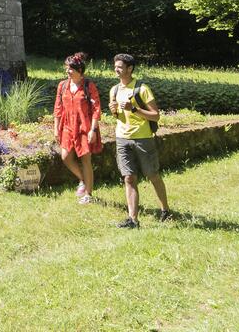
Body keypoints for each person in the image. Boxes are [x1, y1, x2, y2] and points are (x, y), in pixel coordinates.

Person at [109, 53, 170, 228]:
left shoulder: (142, 89)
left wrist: (134, 109)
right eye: (115, 66)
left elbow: (156, 116)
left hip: (143, 139)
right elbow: (119, 116)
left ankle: (165, 209)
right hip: (122, 138)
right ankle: (133, 219)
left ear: (130, 69)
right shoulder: (114, 90)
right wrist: (114, 111)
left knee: (152, 175)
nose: (116, 69)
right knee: (129, 178)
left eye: (120, 67)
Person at [53, 52, 102, 204]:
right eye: (67, 68)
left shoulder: (88, 86)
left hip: (84, 127)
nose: (67, 71)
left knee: (85, 159)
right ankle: (82, 179)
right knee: (65, 156)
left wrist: (93, 131)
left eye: (70, 69)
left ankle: (88, 194)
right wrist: (56, 128)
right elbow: (58, 108)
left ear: (79, 70)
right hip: (67, 126)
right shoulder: (62, 86)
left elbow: (96, 109)